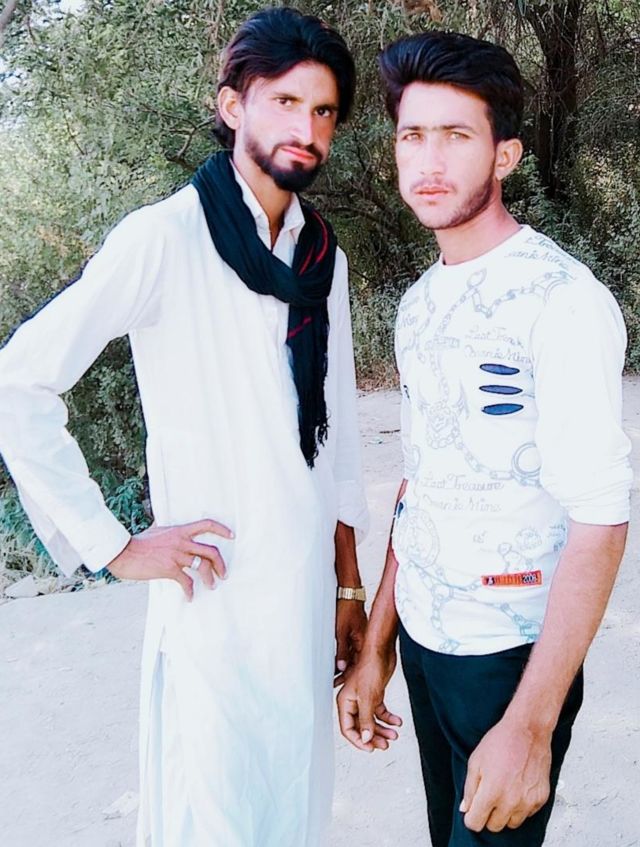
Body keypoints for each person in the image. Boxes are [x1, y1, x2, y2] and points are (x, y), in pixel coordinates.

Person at [0, 8, 370, 846]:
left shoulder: (323, 257)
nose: (306, 129)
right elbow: (18, 381)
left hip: (303, 601)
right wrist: (113, 545)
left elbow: (338, 432)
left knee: (295, 815)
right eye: (284, 102)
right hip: (215, 604)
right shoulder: (164, 238)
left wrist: (348, 588)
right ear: (233, 106)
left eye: (323, 111)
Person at [336, 30, 632, 847]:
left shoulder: (560, 300)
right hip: (427, 645)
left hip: (510, 658)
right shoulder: (420, 303)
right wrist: (379, 646)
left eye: (455, 135)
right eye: (412, 135)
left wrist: (531, 725)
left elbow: (601, 519)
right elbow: (420, 484)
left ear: (504, 155)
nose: (428, 160)